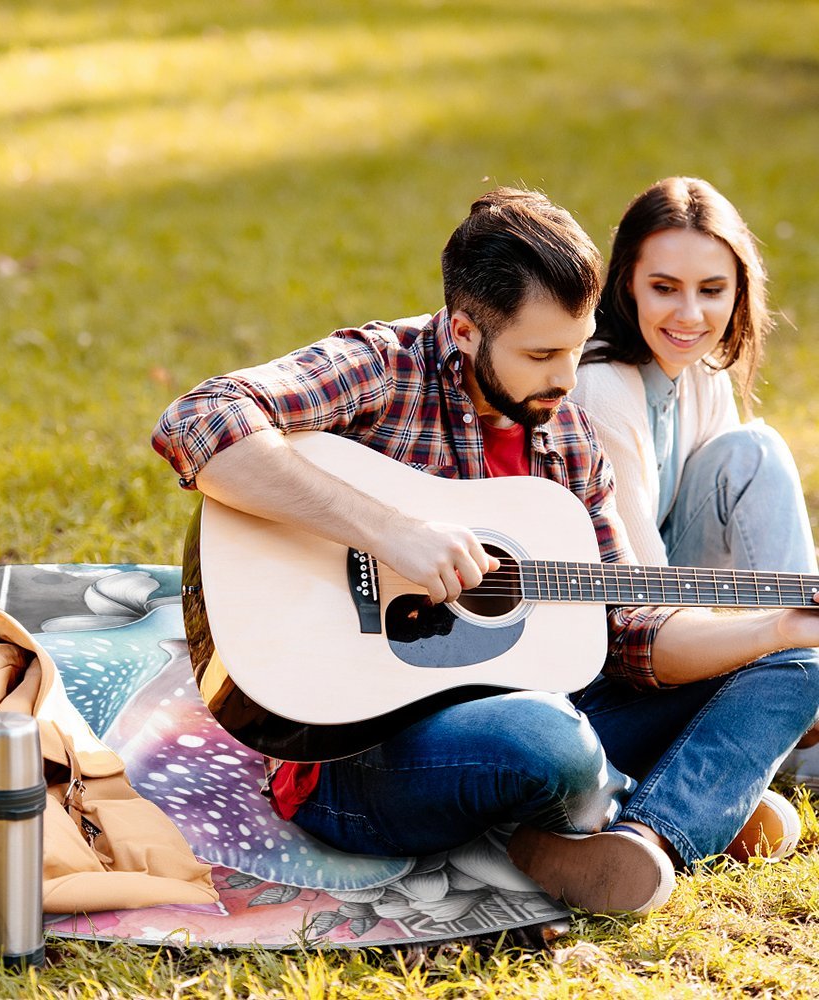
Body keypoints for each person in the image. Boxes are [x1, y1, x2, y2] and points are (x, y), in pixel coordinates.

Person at [152, 187, 819, 916]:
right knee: (548, 741)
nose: (567, 380)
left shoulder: (567, 436)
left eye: (576, 346)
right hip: (356, 754)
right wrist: (388, 531)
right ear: (465, 330)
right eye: (541, 354)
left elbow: (628, 629)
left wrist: (776, 628)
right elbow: (199, 419)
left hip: (547, 708)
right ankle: (669, 797)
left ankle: (649, 837)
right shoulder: (383, 367)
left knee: (799, 665)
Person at [572, 176, 819, 795]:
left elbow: (741, 527)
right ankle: (794, 705)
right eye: (664, 288)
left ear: (739, 292)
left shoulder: (701, 371)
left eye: (712, 291)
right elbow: (643, 604)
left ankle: (797, 694)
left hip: (682, 608)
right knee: (755, 451)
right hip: (618, 644)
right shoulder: (602, 386)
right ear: (626, 281)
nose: (691, 315)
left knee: (750, 451)